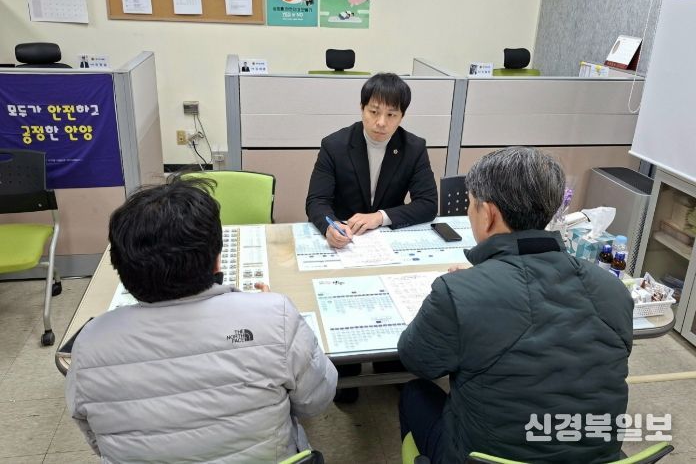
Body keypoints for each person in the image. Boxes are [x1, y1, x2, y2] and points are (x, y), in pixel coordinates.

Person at [65, 176, 337, 463]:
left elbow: (96, 437)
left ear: (120, 267)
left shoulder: (88, 343)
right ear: (217, 259)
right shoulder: (275, 315)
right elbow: (315, 400)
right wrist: (265, 313)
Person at [398, 147, 633, 463]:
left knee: (414, 393)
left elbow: (418, 360)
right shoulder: (612, 289)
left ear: (488, 214)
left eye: (470, 204)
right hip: (600, 458)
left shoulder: (457, 292)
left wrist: (466, 290)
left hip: (481, 458)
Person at [306, 72, 438, 249]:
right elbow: (317, 200)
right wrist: (330, 226)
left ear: (402, 116)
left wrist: (380, 217)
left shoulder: (414, 148)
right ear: (362, 108)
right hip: (345, 236)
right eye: (374, 112)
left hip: (389, 238)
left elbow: (428, 204)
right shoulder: (334, 145)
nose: (381, 122)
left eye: (391, 115)